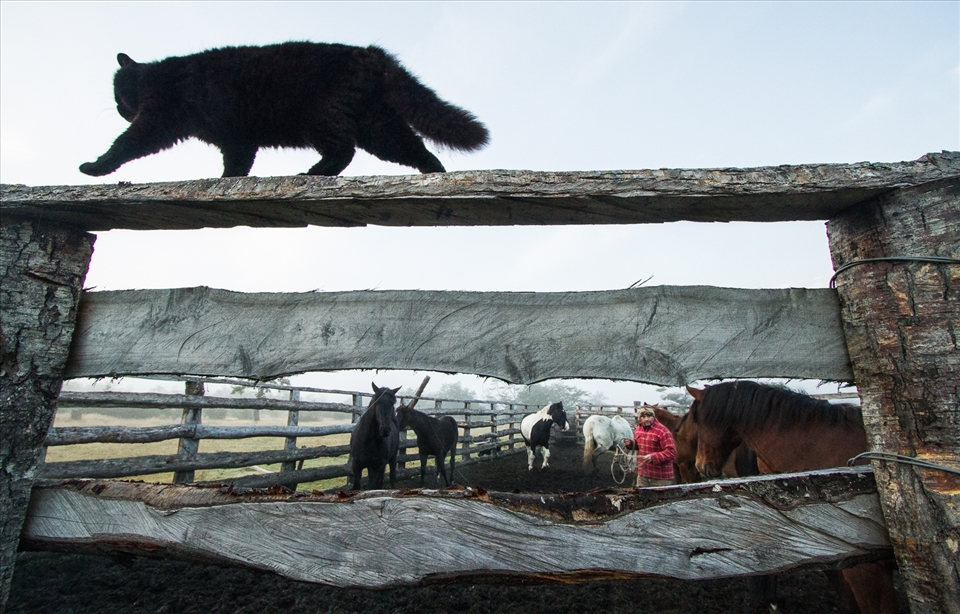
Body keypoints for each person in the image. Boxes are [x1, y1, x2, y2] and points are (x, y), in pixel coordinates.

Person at [622, 405, 677, 487]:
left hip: (660, 478)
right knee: (640, 498)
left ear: (654, 417)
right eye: (643, 417)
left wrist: (654, 457)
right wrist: (631, 444)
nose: (646, 419)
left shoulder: (663, 431)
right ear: (640, 418)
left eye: (649, 416)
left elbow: (671, 452)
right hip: (643, 475)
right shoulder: (638, 429)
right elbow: (639, 446)